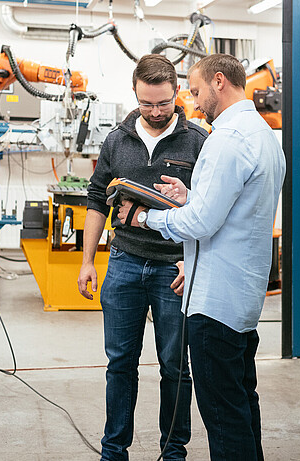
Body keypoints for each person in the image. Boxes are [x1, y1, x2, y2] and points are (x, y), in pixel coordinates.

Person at [117, 53, 286, 461]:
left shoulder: (225, 139)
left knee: (222, 417)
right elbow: (234, 212)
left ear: (219, 82)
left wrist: (144, 218)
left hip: (214, 304)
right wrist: (189, 198)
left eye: (195, 91)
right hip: (241, 300)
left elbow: (202, 224)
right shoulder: (263, 136)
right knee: (242, 405)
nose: (193, 101)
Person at [78, 54, 208, 461]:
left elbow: (209, 208)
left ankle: (174, 453)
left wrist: (194, 258)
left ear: (177, 94)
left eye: (163, 103)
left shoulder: (198, 141)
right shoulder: (117, 139)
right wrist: (87, 262)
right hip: (124, 263)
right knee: (120, 363)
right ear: (135, 93)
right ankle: (113, 451)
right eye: (147, 103)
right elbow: (97, 199)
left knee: (175, 367)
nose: (155, 111)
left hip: (174, 267)